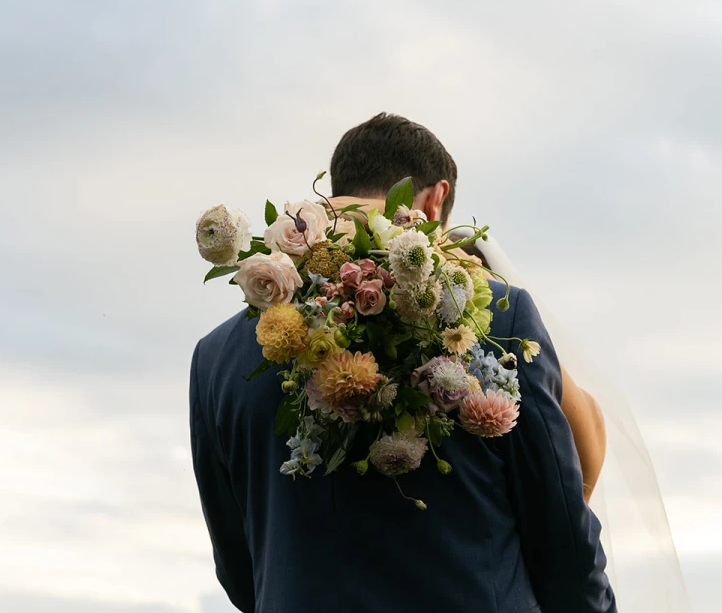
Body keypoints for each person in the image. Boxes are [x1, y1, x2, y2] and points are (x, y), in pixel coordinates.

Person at [189, 113, 616, 612]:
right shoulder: (500, 320)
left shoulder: (216, 359)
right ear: (436, 199)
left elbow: (243, 570)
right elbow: (561, 538)